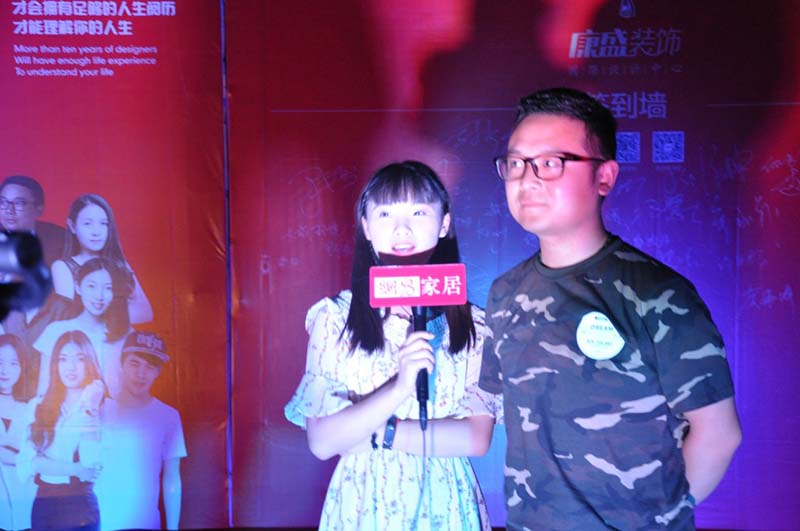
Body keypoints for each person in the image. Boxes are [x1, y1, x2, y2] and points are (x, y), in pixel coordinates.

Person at [479, 87, 742, 530]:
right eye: (516, 163)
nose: (527, 179)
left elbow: (719, 435)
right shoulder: (504, 293)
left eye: (550, 163)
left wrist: (657, 520)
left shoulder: (657, 294)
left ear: (604, 177)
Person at [285, 161, 500, 530]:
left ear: (444, 223)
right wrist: (400, 386)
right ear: (367, 227)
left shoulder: (475, 325)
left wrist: (374, 432)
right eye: (385, 213)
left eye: (419, 212)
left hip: (446, 501)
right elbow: (322, 441)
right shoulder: (334, 318)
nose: (402, 228)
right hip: (362, 503)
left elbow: (475, 438)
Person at [95, 330, 186, 531]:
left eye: (150, 366)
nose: (141, 374)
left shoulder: (168, 416)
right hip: (100, 524)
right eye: (134, 363)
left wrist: (173, 528)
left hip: (147, 524)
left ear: (158, 372)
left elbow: (172, 477)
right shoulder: (99, 410)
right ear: (122, 364)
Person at [18, 330, 105, 531]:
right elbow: (29, 463)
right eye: (63, 359)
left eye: (79, 359)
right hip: (44, 504)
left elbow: (90, 465)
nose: (71, 367)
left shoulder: (102, 407)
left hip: (81, 506)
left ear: (89, 362)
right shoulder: (37, 405)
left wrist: (90, 408)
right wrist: (75, 469)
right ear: (55, 365)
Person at [35, 258, 133, 398]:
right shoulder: (54, 331)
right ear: (78, 287)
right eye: (91, 286)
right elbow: (43, 392)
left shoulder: (127, 335)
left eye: (108, 288)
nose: (99, 296)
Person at [50, 194, 153, 325]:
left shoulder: (120, 264)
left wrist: (95, 316)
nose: (96, 232)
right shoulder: (63, 267)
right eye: (88, 224)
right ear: (73, 226)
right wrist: (119, 314)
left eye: (103, 223)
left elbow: (145, 312)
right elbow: (69, 317)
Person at [0, 334, 37, 531]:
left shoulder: (31, 408)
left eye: (13, 363)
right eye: (0, 362)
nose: (4, 370)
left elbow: (34, 457)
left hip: (25, 506)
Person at [0, 175, 65, 267]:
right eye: (3, 202)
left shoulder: (61, 239)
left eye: (19, 203)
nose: (9, 210)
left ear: (38, 209)